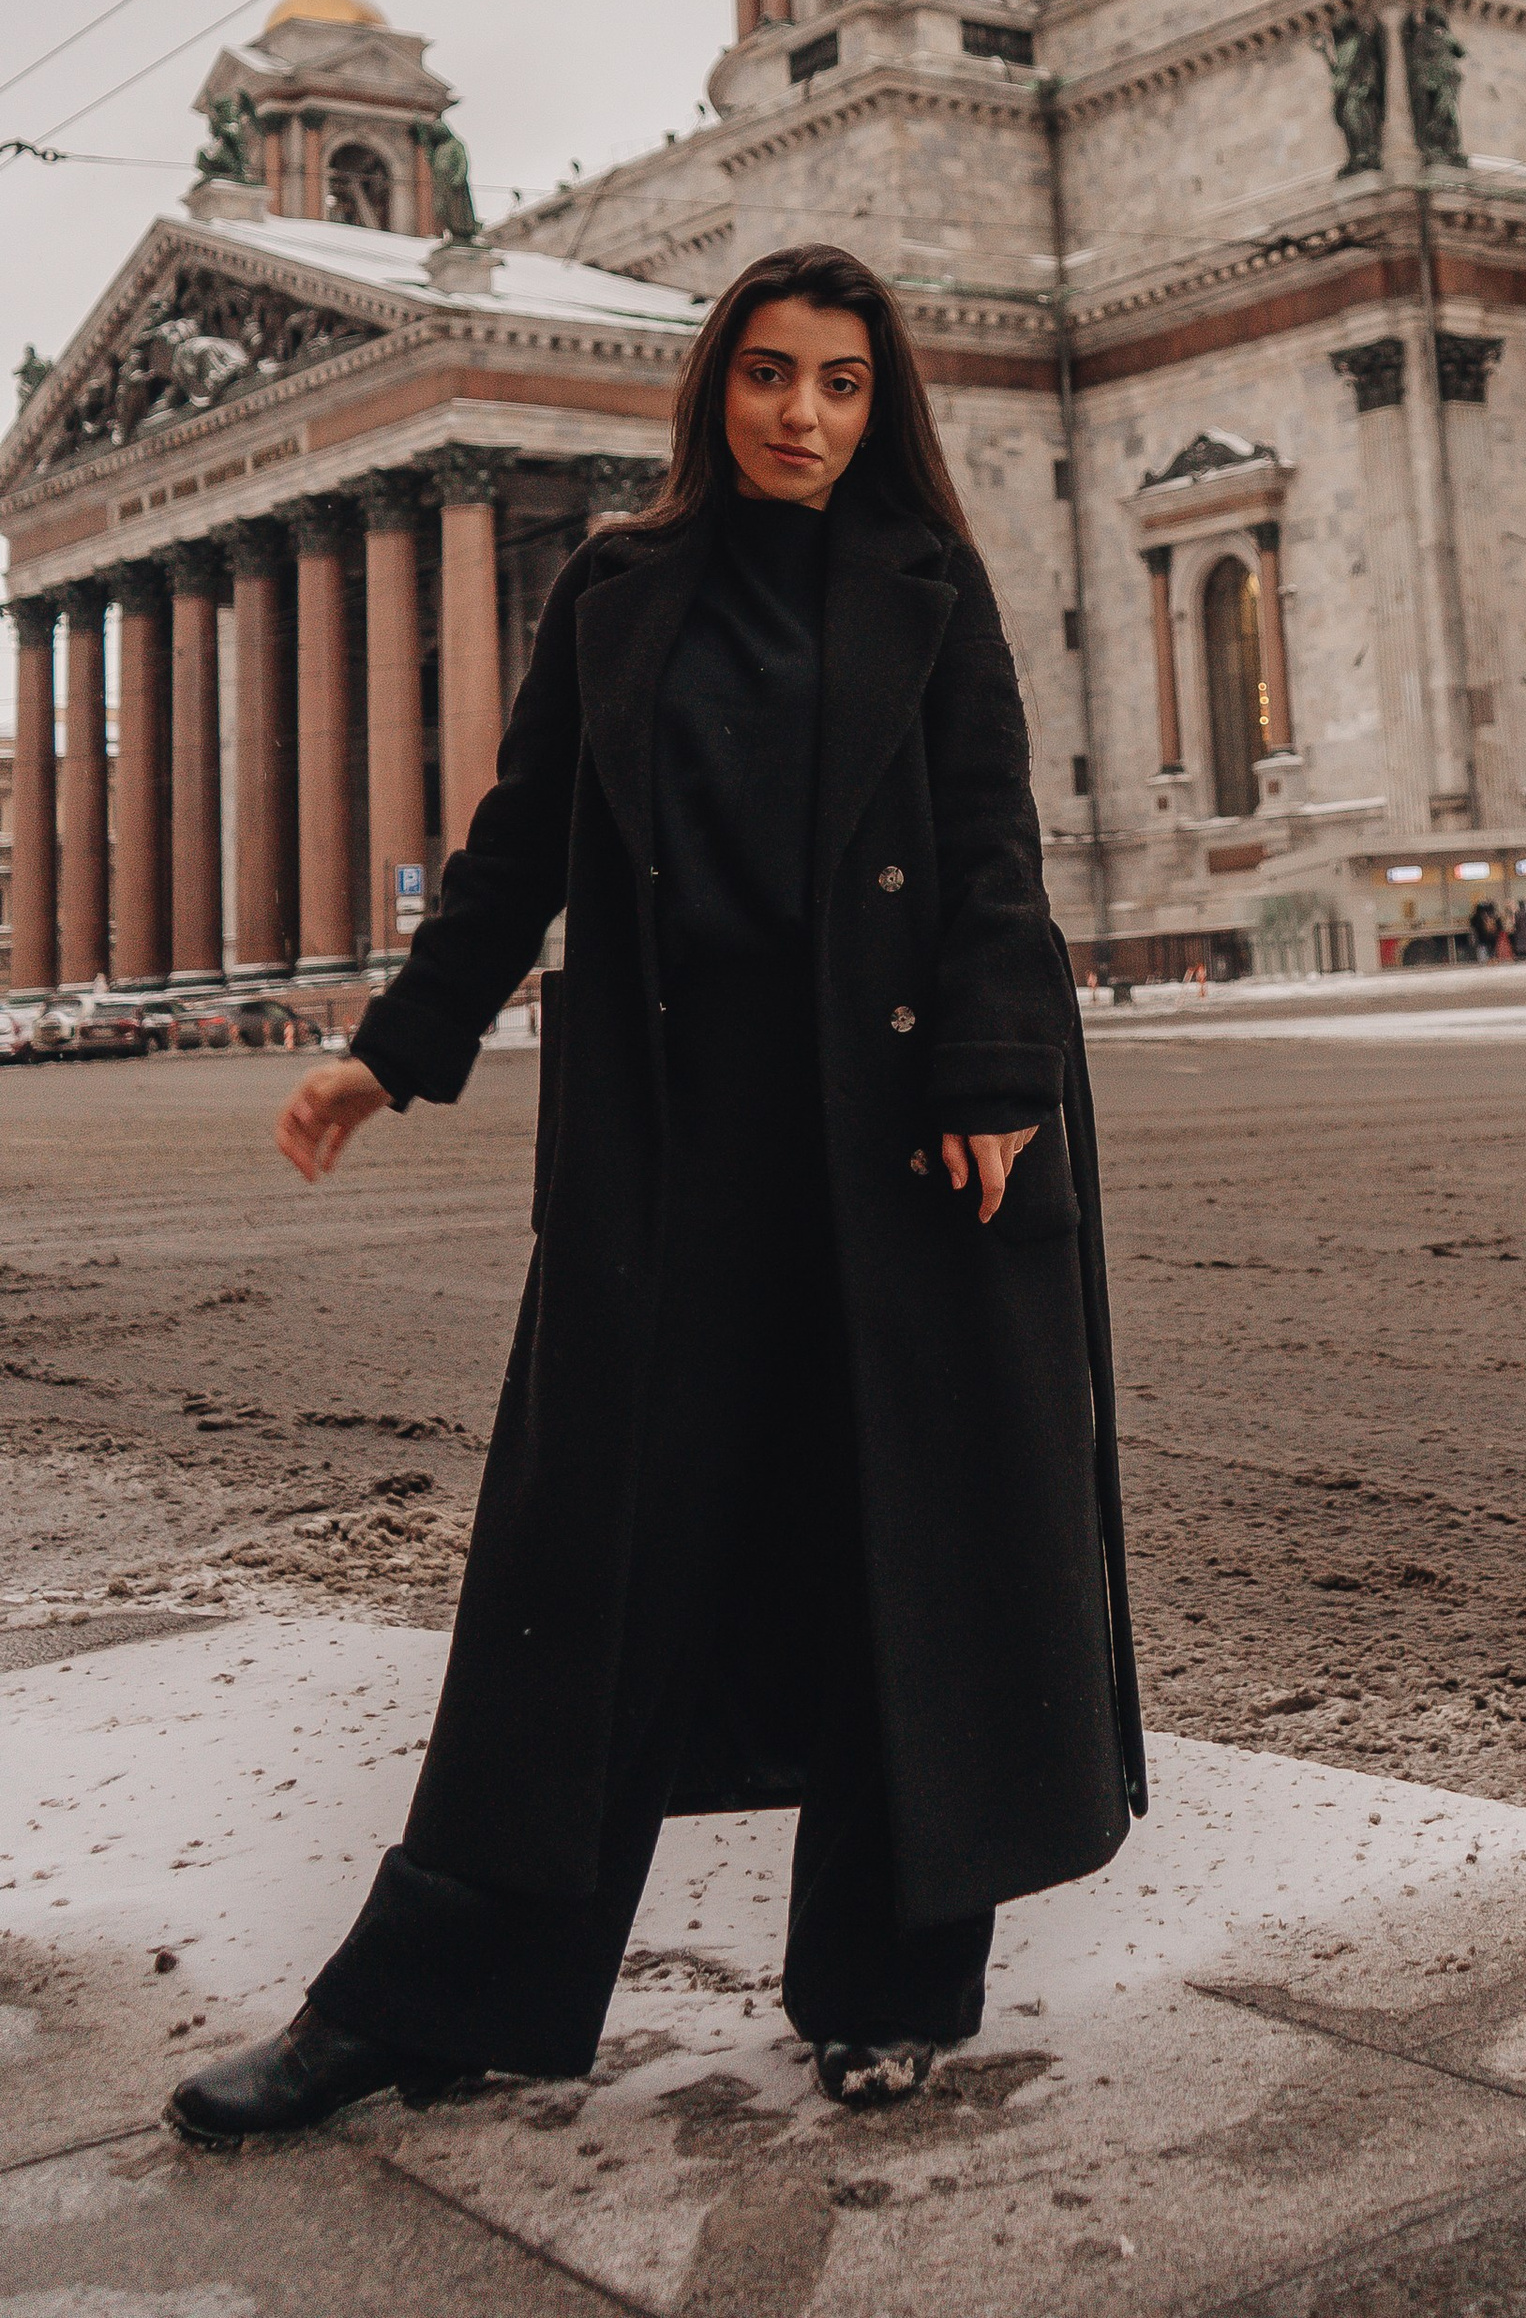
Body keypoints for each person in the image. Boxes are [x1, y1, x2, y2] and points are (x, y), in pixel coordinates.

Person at [171, 243, 1142, 2148]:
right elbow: (516, 849)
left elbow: (993, 853)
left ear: (881, 406)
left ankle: (887, 1990)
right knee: (575, 1582)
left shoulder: (933, 591)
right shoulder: (618, 592)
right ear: (716, 388)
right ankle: (432, 2000)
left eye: (842, 383)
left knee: (897, 1558)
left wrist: (992, 1073)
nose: (804, 415)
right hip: (677, 1152)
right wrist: (392, 1051)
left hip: (900, 1150)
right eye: (771, 374)